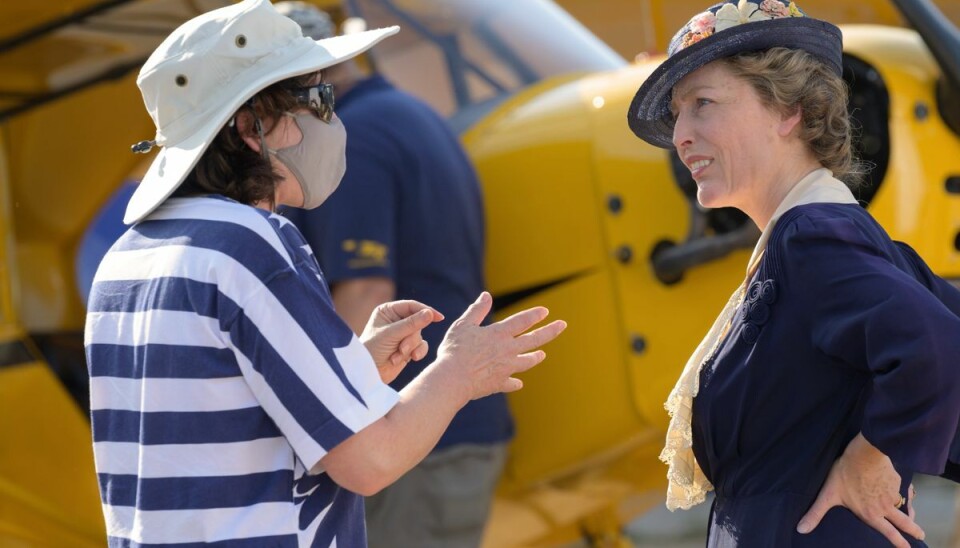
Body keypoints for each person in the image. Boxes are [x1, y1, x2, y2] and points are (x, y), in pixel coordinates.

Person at [84, 1, 566, 546]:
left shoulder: (124, 259)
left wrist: (352, 367)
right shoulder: (252, 245)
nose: (332, 117)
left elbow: (224, 414)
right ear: (252, 127)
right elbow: (370, 462)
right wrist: (459, 371)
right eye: (316, 99)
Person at [627, 1, 960, 546]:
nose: (681, 135)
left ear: (791, 111)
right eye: (678, 113)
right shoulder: (811, 237)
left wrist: (871, 458)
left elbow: (937, 347)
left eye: (702, 104)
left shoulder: (813, 238)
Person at [274, 3, 514, 547]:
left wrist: (325, 429)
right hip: (446, 432)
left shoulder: (352, 139)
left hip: (410, 444)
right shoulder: (411, 113)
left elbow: (364, 290)